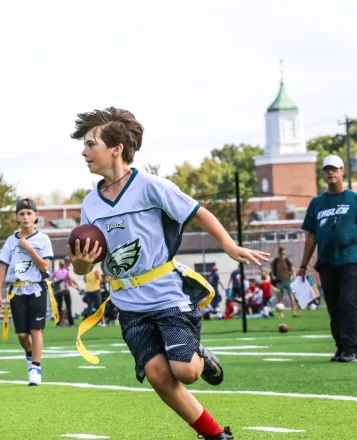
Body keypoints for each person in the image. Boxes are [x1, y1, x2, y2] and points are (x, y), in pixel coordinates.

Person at [68, 107, 268, 440]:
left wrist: (230, 245)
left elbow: (198, 212)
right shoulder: (90, 204)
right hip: (128, 304)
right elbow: (82, 267)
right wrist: (80, 261)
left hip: (167, 295)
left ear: (116, 148)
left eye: (91, 144)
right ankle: (216, 435)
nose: (84, 151)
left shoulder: (150, 186)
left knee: (186, 371)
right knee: (160, 376)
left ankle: (199, 356)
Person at [299, 154, 357, 363]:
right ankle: (341, 347)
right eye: (327, 170)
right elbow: (311, 236)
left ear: (342, 171)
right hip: (327, 261)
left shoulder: (354, 199)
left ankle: (352, 348)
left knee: (348, 302)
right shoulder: (317, 203)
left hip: (351, 258)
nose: (331, 173)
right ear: (323, 173)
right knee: (333, 306)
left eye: (335, 169)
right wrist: (303, 266)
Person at [0, 198, 54, 385]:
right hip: (17, 291)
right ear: (17, 217)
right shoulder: (10, 241)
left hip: (36, 288)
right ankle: (29, 354)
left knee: (36, 330)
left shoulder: (43, 239)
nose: (26, 217)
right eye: (22, 214)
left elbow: (45, 266)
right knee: (22, 335)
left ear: (36, 216)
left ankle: (35, 367)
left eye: (29, 213)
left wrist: (28, 248)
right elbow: (3, 267)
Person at [50, 259, 80, 327]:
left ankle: (58, 324)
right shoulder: (67, 272)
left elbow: (50, 280)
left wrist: (53, 285)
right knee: (68, 306)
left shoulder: (56, 272)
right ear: (64, 265)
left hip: (58, 291)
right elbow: (71, 281)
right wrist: (76, 287)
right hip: (66, 290)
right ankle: (71, 323)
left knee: (59, 307)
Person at [271, 247, 298, 317]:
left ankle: (294, 312)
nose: (282, 255)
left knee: (291, 296)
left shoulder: (288, 260)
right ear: (279, 253)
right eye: (281, 253)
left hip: (288, 281)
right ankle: (281, 314)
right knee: (280, 298)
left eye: (283, 253)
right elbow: (271, 270)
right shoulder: (275, 261)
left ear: (285, 253)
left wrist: (294, 276)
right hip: (279, 282)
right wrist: (273, 275)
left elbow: (293, 269)